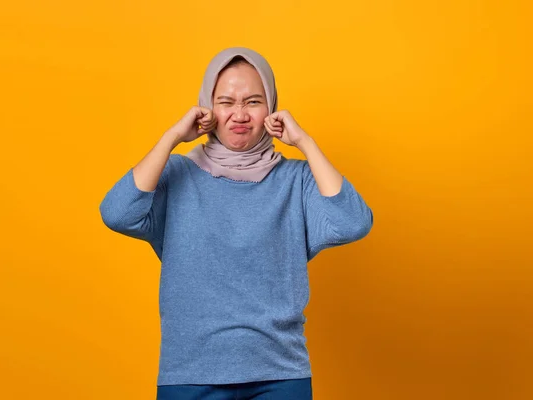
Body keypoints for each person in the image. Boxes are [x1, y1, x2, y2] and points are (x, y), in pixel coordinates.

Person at [99, 47, 374, 400]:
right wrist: (171, 138)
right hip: (190, 372)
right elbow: (117, 212)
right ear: (207, 109)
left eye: (254, 102)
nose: (240, 115)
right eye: (226, 102)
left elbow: (353, 222)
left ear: (271, 109)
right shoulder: (177, 174)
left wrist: (305, 142)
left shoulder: (297, 180)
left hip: (279, 373)